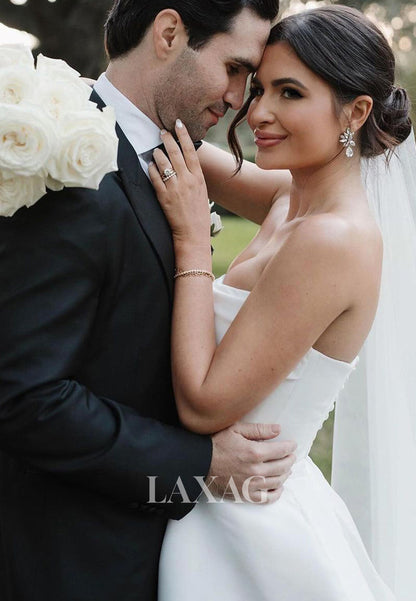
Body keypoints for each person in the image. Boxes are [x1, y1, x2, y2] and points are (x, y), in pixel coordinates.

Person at [0, 2, 299, 600]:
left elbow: (303, 192)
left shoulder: (166, 152)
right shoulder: (65, 163)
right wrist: (200, 466)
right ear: (168, 33)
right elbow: (24, 396)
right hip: (72, 561)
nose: (240, 99)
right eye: (235, 69)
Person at [149, 5, 413, 600]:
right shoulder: (288, 199)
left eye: (289, 93)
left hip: (249, 526)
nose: (258, 112)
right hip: (211, 499)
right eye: (259, 88)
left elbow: (205, 405)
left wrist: (192, 241)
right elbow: (161, 137)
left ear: (356, 112)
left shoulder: (334, 238)